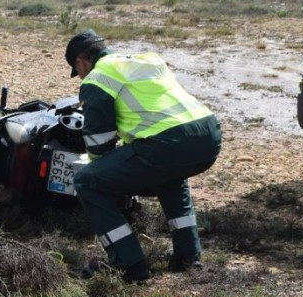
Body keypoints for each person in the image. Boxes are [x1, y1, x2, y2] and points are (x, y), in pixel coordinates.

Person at [66, 29, 221, 283]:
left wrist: (101, 167)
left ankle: (129, 266)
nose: (80, 76)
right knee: (170, 175)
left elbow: (99, 141)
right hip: (207, 134)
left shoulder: (97, 78)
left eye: (77, 70)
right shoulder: (145, 60)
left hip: (167, 142)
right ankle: (188, 257)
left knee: (87, 182)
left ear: (81, 62)